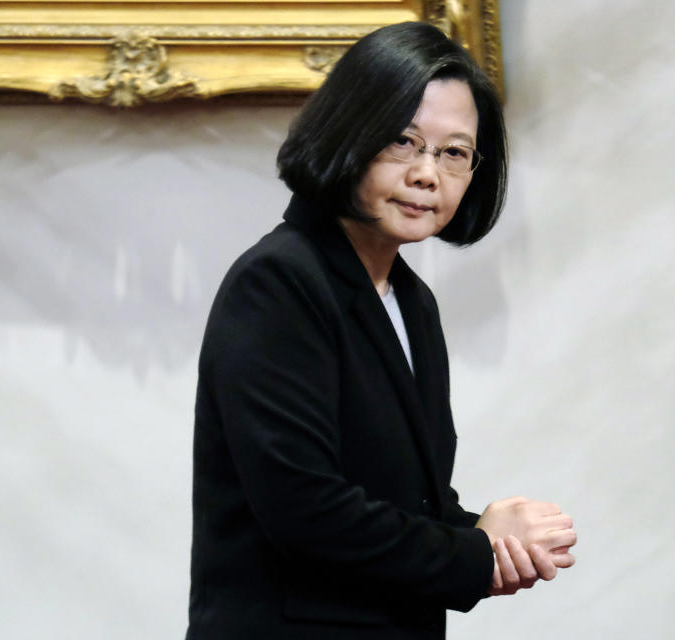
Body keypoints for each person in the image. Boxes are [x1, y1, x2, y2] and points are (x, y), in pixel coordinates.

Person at [185, 21, 577, 640]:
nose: (428, 174)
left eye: (454, 152)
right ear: (349, 133)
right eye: (403, 141)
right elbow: (305, 508)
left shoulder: (411, 301)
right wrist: (475, 554)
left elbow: (404, 503)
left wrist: (485, 534)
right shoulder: (278, 281)